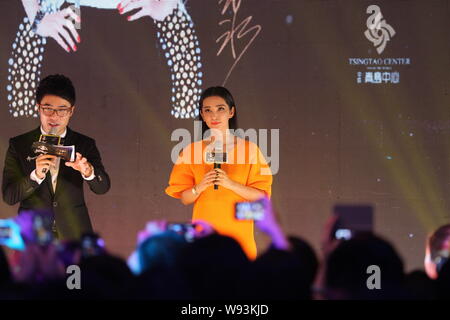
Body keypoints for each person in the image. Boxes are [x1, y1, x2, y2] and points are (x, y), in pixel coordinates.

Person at [165, 86, 272, 259]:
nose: (214, 115)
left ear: (231, 112)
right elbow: (184, 198)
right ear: (202, 114)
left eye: (220, 109)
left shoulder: (250, 149)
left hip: (239, 234)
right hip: (204, 233)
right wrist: (200, 186)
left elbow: (262, 197)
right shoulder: (191, 151)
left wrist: (230, 184)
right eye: (208, 110)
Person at [2, 74, 110, 240]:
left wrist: (88, 171)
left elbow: (102, 187)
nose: (54, 116)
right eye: (48, 108)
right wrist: (35, 176)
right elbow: (9, 196)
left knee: (74, 268)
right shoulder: (19, 144)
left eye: (62, 110)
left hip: (74, 234)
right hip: (33, 236)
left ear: (71, 111)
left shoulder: (84, 144)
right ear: (38, 107)